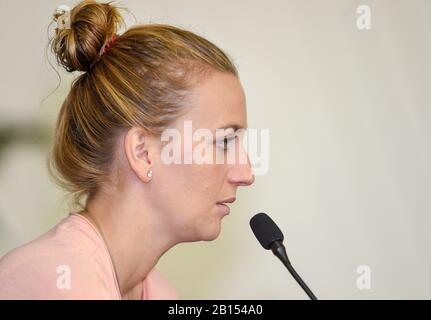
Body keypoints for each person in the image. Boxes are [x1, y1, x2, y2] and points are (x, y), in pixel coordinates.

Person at [0, 0, 255, 299]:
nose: (247, 173)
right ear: (143, 153)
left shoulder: (158, 292)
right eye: (224, 142)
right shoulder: (55, 280)